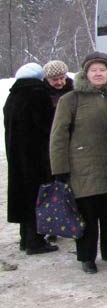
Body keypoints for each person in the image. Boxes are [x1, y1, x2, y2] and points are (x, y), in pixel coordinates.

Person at [50, 52, 107, 274]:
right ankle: (87, 256)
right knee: (87, 216)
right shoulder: (70, 100)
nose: (98, 73)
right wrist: (60, 169)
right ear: (85, 73)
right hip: (82, 168)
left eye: (103, 69)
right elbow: (58, 136)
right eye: (94, 70)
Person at [4, 63, 57, 255]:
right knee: (38, 196)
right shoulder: (38, 94)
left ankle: (25, 239)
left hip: (17, 155)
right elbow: (47, 126)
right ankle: (35, 242)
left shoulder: (12, 96)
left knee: (23, 196)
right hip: (37, 156)